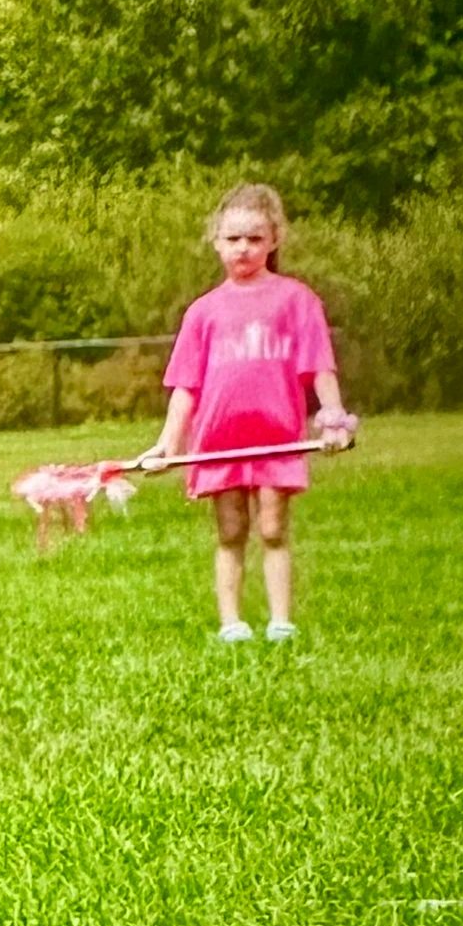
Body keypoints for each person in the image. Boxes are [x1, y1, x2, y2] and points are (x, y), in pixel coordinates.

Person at [143, 183, 354, 643]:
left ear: (274, 239)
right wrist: (167, 445)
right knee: (231, 528)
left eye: (255, 238)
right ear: (216, 241)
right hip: (220, 442)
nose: (244, 248)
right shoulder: (203, 312)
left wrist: (334, 417)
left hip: (277, 436)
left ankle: (281, 621)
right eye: (233, 238)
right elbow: (185, 388)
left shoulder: (297, 300)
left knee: (274, 526)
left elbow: (319, 365)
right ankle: (231, 622)